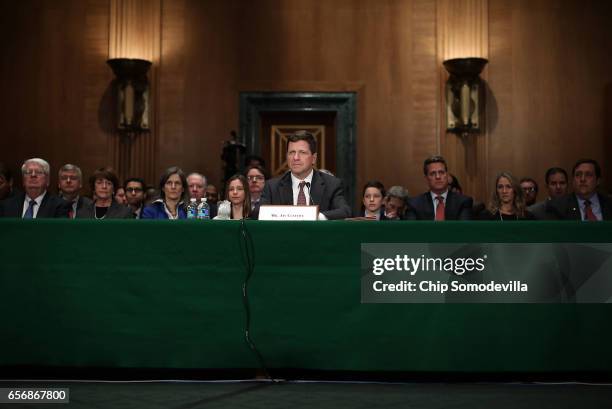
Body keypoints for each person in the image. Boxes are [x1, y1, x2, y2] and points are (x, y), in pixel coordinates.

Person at [259, 130, 351, 220]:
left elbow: (344, 211)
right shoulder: (272, 186)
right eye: (291, 152)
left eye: (302, 152)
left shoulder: (331, 184)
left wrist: (316, 217)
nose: (295, 158)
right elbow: (257, 213)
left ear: (313, 158)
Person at [406, 156, 473, 220]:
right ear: (426, 178)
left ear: (447, 175)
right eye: (432, 173)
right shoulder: (414, 204)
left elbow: (463, 230)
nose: (438, 177)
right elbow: (412, 231)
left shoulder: (463, 202)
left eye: (441, 172)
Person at [0, 158, 69, 218]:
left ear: (47, 180)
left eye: (39, 172)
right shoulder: (6, 205)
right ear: (23, 180)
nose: (33, 175)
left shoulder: (59, 206)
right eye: (28, 172)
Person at [547, 159, 612, 221]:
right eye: (578, 175)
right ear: (573, 181)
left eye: (588, 175)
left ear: (598, 180)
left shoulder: (609, 204)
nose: (582, 179)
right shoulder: (558, 207)